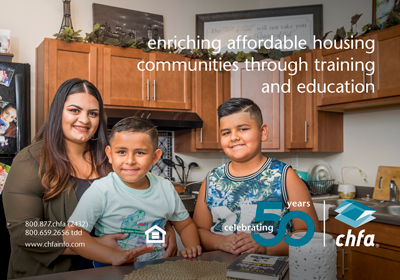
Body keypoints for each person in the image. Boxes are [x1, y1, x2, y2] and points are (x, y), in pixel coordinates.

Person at [2, 78, 177, 279]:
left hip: (110, 271)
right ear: (58, 112)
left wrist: (165, 226)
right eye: (74, 110)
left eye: (92, 113)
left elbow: (144, 196)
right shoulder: (30, 160)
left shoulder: (109, 158)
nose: (84, 120)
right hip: (50, 274)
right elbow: (25, 231)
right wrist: (91, 245)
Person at [64, 117, 202, 266]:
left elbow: (186, 225)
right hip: (112, 270)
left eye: (140, 153)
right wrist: (112, 256)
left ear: (155, 157)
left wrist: (192, 248)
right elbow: (72, 235)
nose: (130, 160)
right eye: (122, 151)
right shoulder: (101, 190)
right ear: (110, 155)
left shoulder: (165, 187)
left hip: (159, 268)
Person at [193, 98, 320, 256]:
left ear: (263, 132)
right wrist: (219, 242)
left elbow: (309, 233)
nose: (233, 137)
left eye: (243, 129)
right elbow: (198, 231)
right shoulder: (212, 179)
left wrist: (266, 246)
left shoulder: (285, 176)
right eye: (226, 132)